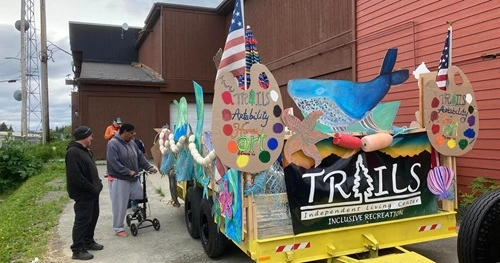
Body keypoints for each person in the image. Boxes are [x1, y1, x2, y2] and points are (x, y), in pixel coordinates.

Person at [106, 123, 157, 237]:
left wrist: (149, 167)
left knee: (140, 197)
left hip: (133, 178)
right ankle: (118, 228)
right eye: (131, 132)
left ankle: (137, 214)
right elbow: (114, 162)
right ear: (124, 132)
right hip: (120, 179)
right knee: (120, 204)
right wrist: (128, 171)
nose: (134, 134)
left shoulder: (132, 143)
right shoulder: (113, 144)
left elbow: (140, 158)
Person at [65, 126, 104, 260]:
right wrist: (92, 188)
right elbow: (76, 177)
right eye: (90, 136)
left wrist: (98, 183)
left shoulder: (85, 150)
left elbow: (90, 170)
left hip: (92, 193)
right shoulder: (73, 152)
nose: (92, 138)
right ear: (84, 137)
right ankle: (77, 249)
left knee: (92, 217)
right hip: (84, 194)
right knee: (82, 221)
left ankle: (88, 241)